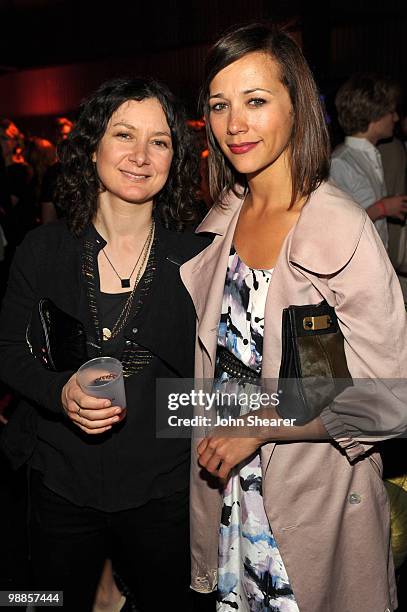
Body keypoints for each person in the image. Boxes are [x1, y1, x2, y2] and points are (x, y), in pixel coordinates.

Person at [179, 23, 407, 612]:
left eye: (256, 102)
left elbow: (390, 399)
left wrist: (257, 425)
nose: (235, 125)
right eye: (220, 105)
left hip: (312, 495)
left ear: (297, 106)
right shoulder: (221, 216)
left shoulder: (342, 227)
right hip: (225, 495)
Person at [0, 77, 210, 612]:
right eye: (124, 135)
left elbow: (217, 382)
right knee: (43, 602)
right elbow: (8, 354)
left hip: (163, 494)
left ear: (174, 157)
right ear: (93, 148)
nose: (141, 156)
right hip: (60, 487)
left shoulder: (200, 257)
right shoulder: (43, 249)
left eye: (159, 141)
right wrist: (58, 391)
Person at [330, 73, 407, 250]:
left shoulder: (371, 154)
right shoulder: (341, 162)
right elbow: (337, 227)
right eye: (391, 112)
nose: (395, 118)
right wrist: (382, 208)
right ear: (374, 115)